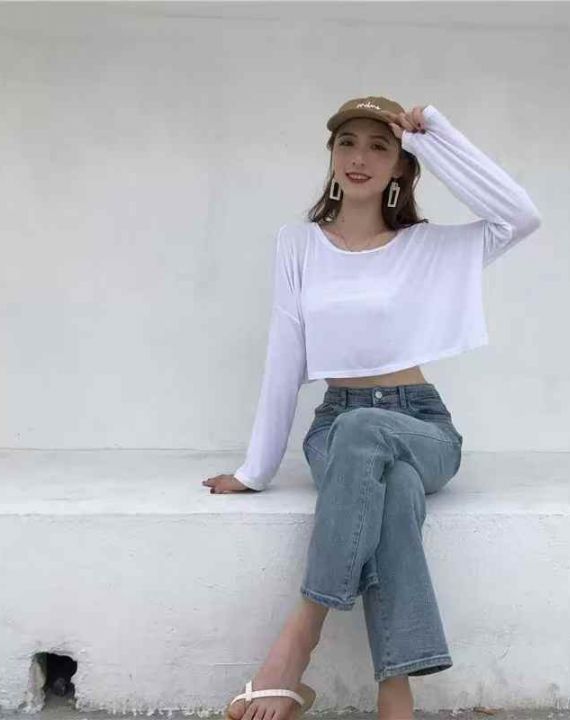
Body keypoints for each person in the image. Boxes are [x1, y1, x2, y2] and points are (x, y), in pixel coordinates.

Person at [202, 96, 542, 720]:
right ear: (331, 155)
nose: (359, 157)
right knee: (395, 490)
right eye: (347, 143)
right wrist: (255, 470)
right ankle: (396, 695)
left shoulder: (426, 247)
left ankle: (296, 644)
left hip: (420, 424)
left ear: (401, 167)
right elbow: (284, 355)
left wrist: (434, 135)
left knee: (373, 436)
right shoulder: (297, 244)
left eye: (380, 146)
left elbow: (520, 216)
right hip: (337, 425)